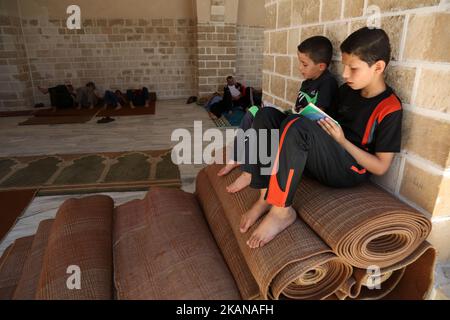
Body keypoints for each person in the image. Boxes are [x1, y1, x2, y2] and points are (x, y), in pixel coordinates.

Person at [240, 27, 403, 249]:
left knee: (297, 127)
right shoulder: (347, 91)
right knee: (266, 115)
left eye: (352, 68)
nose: (345, 74)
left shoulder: (389, 107)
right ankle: (264, 196)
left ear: (378, 67)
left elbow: (381, 166)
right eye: (344, 66)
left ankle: (281, 212)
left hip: (349, 169)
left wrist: (342, 140)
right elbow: (323, 125)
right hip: (325, 154)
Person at [218, 36, 339, 193]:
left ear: (321, 66)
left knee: (264, 121)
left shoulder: (328, 83)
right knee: (254, 111)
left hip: (305, 132)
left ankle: (249, 173)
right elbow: (299, 108)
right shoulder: (307, 82)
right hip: (295, 120)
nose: (300, 68)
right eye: (300, 63)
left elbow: (317, 115)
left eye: (304, 64)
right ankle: (236, 157)